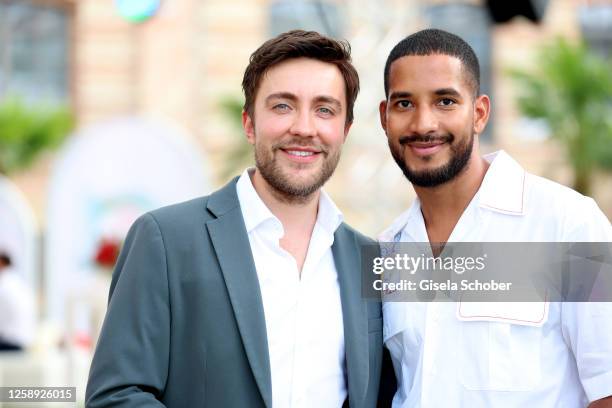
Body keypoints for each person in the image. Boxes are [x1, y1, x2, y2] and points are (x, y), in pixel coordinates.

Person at [86, 30, 392, 407]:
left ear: (344, 131)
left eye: (324, 109)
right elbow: (116, 396)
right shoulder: (165, 240)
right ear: (249, 124)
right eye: (283, 106)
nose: (304, 127)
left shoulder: (370, 259)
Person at [378, 28, 612, 407]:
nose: (423, 124)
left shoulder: (568, 224)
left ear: (480, 113)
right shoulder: (389, 251)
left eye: (445, 101)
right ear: (385, 117)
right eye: (404, 104)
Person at [0, 252, 36, 351]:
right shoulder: (19, 283)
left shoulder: (4, 285)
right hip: (24, 340)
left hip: (10, 342)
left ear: (1, 263)